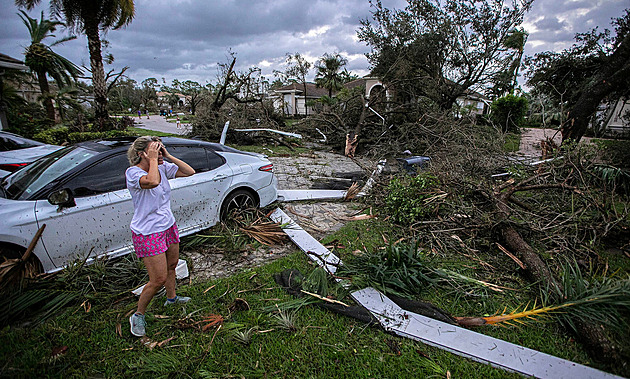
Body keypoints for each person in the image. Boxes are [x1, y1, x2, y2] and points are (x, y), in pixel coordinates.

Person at [126, 136, 196, 337]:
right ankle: (138, 315)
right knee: (158, 279)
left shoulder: (162, 167)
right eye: (154, 149)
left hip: (167, 225)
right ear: (142, 154)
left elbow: (189, 171)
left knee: (172, 266)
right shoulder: (133, 173)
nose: (159, 152)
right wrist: (154, 160)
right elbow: (152, 181)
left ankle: (171, 298)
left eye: (159, 148)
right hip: (148, 232)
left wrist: (167, 156)